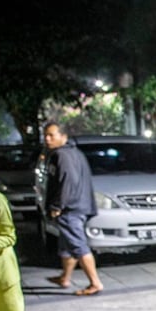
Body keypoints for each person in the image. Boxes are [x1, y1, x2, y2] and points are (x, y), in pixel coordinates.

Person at [43, 122, 103, 296]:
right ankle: (65, 277)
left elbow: (66, 182)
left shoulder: (61, 155)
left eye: (51, 135)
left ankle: (95, 283)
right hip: (80, 205)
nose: (47, 139)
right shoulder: (75, 153)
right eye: (45, 135)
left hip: (71, 208)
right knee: (67, 245)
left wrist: (57, 206)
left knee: (78, 246)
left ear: (63, 137)